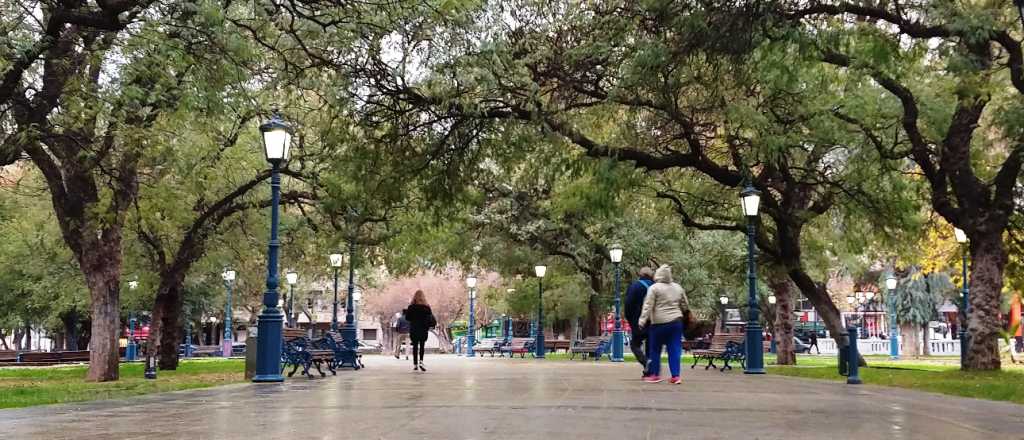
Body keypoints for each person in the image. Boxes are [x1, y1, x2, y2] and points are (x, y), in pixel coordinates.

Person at [638, 265, 689, 384]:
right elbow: (685, 304)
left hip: (658, 324)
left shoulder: (654, 288)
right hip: (676, 322)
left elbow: (647, 306)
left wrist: (642, 321)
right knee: (675, 349)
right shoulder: (678, 287)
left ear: (658, 274)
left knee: (655, 349)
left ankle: (655, 374)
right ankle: (676, 376)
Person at [624, 267, 655, 377]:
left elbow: (628, 304)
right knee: (650, 346)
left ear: (640, 275)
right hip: (653, 321)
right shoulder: (656, 286)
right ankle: (650, 371)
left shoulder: (634, 286)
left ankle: (645, 362)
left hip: (638, 321)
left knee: (635, 344)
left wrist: (630, 319)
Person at [403, 290, 436, 372]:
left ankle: (415, 364)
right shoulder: (426, 307)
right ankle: (421, 361)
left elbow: (407, 318)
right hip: (423, 329)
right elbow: (430, 317)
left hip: (414, 328)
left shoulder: (411, 307)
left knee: (415, 346)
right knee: (422, 346)